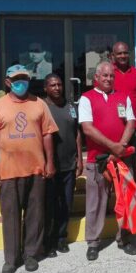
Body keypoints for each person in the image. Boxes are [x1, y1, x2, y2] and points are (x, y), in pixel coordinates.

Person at [0, 64, 58, 273]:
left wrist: (50, 162)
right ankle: (11, 259)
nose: (21, 83)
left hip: (36, 169)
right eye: (16, 79)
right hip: (9, 171)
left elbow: (47, 134)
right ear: (8, 82)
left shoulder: (40, 104)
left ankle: (31, 254)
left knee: (35, 215)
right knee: (10, 216)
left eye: (24, 78)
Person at [78, 61, 136, 261]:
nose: (109, 79)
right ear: (97, 77)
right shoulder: (86, 98)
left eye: (111, 75)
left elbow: (131, 122)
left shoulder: (123, 97)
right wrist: (113, 147)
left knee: (125, 200)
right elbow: (87, 128)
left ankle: (125, 239)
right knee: (95, 202)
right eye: (105, 76)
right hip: (98, 161)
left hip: (122, 159)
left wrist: (121, 146)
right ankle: (93, 242)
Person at [43, 74, 83, 257]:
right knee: (50, 204)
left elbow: (77, 133)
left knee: (66, 203)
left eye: (59, 84)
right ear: (46, 88)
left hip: (69, 164)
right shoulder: (42, 107)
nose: (57, 88)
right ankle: (49, 242)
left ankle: (61, 238)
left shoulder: (71, 107)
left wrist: (80, 159)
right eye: (52, 85)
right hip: (50, 167)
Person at [111, 41, 136, 186]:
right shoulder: (109, 74)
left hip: (135, 127)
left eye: (125, 52)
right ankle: (119, 201)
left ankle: (135, 201)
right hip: (115, 127)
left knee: (133, 163)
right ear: (113, 55)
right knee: (116, 164)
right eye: (119, 53)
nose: (123, 56)